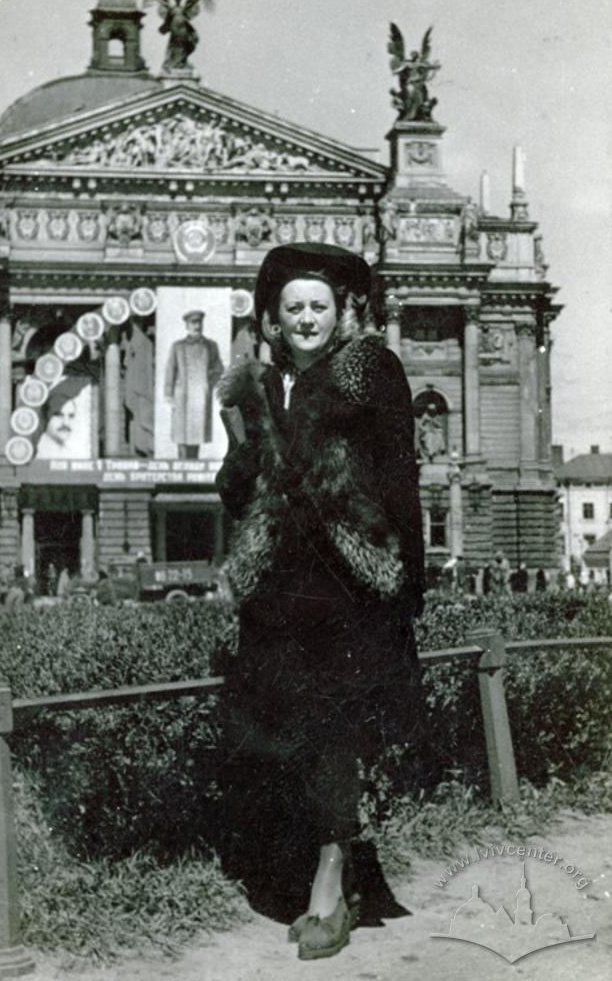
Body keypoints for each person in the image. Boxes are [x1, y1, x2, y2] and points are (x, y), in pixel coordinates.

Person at [215, 243, 429, 962]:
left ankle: (331, 888)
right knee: (290, 735)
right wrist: (248, 429)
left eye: (318, 306)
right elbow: (234, 490)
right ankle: (318, 864)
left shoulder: (371, 371)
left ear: (341, 314)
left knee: (335, 734)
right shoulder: (257, 388)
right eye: (293, 308)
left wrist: (409, 580)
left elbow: (402, 477)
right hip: (279, 594)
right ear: (273, 319)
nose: (306, 318)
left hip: (348, 588)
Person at [164, 310, 224, 459]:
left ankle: (193, 468)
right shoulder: (178, 346)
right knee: (182, 436)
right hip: (182, 397)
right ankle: (181, 469)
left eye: (199, 322)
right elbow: (170, 370)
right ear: (186, 325)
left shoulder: (211, 346)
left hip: (200, 398)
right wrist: (168, 394)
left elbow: (219, 370)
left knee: (197, 436)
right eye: (193, 323)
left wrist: (207, 384)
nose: (196, 326)